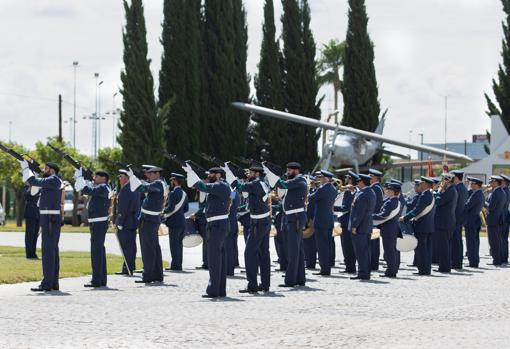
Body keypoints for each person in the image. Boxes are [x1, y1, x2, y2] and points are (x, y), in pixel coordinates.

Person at [185, 166, 232, 298]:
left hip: (217, 225)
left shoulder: (219, 186)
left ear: (218, 175)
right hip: (218, 224)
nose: (209, 176)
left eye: (212, 174)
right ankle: (220, 290)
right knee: (219, 258)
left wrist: (190, 171)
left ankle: (213, 290)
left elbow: (202, 186)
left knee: (214, 258)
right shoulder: (221, 186)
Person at [228, 164, 272, 294]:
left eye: (251, 173)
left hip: (258, 222)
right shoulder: (260, 183)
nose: (249, 175)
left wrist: (229, 172)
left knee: (249, 253)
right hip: (262, 220)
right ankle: (265, 284)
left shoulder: (257, 184)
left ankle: (252, 285)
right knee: (264, 253)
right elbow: (246, 195)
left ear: (257, 173)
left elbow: (239, 186)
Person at [20, 161, 63, 292]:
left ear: (52, 170)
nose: (44, 170)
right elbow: (33, 188)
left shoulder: (53, 180)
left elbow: (32, 181)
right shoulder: (51, 180)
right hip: (48, 218)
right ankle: (53, 282)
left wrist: (26, 168)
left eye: (46, 168)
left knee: (48, 251)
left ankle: (47, 283)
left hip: (49, 218)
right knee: (52, 251)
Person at [265, 162, 307, 288]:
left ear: (296, 170)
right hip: (293, 217)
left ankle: (290, 280)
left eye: (289, 171)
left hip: (295, 217)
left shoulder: (299, 180)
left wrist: (269, 172)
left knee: (293, 250)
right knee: (297, 249)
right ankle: (300, 278)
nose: (287, 173)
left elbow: (282, 184)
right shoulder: (297, 180)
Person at [127, 166, 165, 284]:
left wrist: (132, 176)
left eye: (151, 173)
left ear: (157, 173)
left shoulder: (158, 184)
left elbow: (141, 188)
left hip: (149, 220)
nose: (149, 176)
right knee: (154, 248)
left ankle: (148, 275)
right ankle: (157, 274)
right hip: (149, 219)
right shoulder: (158, 183)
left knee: (147, 248)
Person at [75, 169, 112, 288]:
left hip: (98, 222)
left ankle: (96, 280)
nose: (94, 178)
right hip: (97, 222)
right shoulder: (102, 187)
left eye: (97, 176)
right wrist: (83, 178)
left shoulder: (102, 187)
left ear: (103, 178)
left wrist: (80, 177)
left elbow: (86, 190)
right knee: (99, 251)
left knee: (96, 251)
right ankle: (101, 279)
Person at [401, 177, 436, 276]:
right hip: (428, 225)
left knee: (422, 249)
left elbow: (417, 210)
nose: (419, 185)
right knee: (427, 249)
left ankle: (423, 270)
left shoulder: (425, 195)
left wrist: (405, 218)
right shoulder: (430, 193)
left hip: (422, 225)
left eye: (420, 183)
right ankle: (426, 269)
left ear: (424, 184)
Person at [308, 170, 337, 276]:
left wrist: (309, 190)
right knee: (327, 245)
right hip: (329, 220)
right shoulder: (333, 189)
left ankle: (324, 269)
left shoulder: (322, 189)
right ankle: (327, 267)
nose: (319, 179)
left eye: (321, 177)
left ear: (325, 178)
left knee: (322, 246)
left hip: (321, 221)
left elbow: (311, 198)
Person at [349, 173, 376, 281]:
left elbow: (360, 212)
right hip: (366, 226)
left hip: (361, 227)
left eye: (358, 181)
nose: (357, 183)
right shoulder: (369, 192)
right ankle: (364, 272)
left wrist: (354, 226)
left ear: (361, 182)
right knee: (364, 251)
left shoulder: (364, 194)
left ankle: (363, 273)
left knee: (361, 251)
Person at [115, 169, 141, 275]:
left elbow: (123, 208)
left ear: (126, 178)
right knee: (131, 245)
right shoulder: (134, 188)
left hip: (126, 221)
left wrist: (120, 222)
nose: (120, 179)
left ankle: (127, 268)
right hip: (132, 221)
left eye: (121, 176)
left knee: (126, 246)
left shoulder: (125, 190)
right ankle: (130, 267)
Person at [373, 182, 401, 278]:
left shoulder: (390, 202)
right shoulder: (397, 201)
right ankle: (392, 270)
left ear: (394, 192)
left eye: (389, 190)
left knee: (389, 251)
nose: (387, 191)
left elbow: (384, 215)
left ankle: (390, 271)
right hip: (393, 228)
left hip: (388, 229)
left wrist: (371, 216)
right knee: (392, 250)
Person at [432, 173, 457, 273]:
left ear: (448, 181)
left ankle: (444, 267)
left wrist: (438, 191)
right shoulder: (450, 190)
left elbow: (438, 201)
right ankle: (444, 266)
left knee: (444, 246)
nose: (441, 182)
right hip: (446, 222)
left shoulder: (450, 191)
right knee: (445, 246)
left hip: (445, 223)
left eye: (443, 180)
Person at [164, 173, 189, 271]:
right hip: (182, 221)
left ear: (175, 181)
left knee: (174, 245)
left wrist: (162, 211)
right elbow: (186, 209)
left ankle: (175, 266)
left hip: (174, 222)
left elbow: (170, 208)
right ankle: (179, 265)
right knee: (179, 245)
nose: (171, 183)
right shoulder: (184, 194)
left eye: (171, 181)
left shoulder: (173, 193)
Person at [335, 171, 358, 274]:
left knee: (347, 246)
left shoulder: (349, 192)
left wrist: (334, 208)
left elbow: (346, 208)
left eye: (347, 178)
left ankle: (350, 267)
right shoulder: (355, 191)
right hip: (350, 221)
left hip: (346, 221)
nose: (346, 180)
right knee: (349, 246)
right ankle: (350, 266)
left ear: (350, 180)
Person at [464, 177, 485, 268]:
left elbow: (467, 206)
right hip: (475, 220)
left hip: (471, 221)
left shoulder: (476, 194)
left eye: (472, 184)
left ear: (476, 185)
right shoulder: (479, 193)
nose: (470, 185)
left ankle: (473, 262)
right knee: (474, 242)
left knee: (471, 242)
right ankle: (474, 260)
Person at [485, 175, 506, 266]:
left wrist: (483, 202)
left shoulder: (496, 192)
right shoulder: (500, 191)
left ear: (496, 182)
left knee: (494, 241)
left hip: (493, 219)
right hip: (497, 218)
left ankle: (496, 260)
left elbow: (491, 207)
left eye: (491, 182)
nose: (490, 184)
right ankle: (498, 259)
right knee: (497, 240)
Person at [450, 170, 468, 269]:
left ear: (456, 178)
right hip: (459, 216)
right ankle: (457, 261)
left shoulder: (457, 188)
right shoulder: (463, 188)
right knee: (458, 240)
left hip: (456, 217)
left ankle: (456, 262)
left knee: (455, 240)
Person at [369, 169, 384, 271]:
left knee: (373, 243)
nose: (369, 178)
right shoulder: (378, 187)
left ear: (375, 177)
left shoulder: (375, 188)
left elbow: (374, 205)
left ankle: (373, 264)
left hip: (373, 218)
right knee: (374, 242)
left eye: (371, 176)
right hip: (375, 218)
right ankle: (374, 263)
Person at [23, 184, 40, 259]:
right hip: (30, 212)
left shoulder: (39, 186)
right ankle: (29, 254)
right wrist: (30, 186)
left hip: (37, 212)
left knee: (35, 234)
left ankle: (33, 253)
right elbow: (26, 194)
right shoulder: (26, 186)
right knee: (30, 234)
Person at [500, 175, 510, 264]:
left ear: (504, 182)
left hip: (504, 216)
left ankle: (503, 257)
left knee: (503, 237)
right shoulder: (505, 191)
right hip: (504, 215)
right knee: (503, 237)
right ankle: (503, 256)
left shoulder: (505, 191)